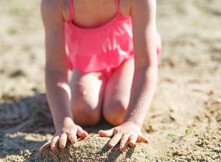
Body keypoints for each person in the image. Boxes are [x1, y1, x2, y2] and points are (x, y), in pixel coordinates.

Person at [39, 0, 161, 152]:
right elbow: (55, 69)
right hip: (88, 63)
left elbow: (146, 66)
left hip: (129, 57)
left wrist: (133, 122)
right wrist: (64, 123)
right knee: (82, 112)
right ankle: (89, 79)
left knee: (119, 110)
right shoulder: (55, 4)